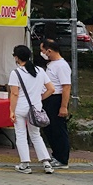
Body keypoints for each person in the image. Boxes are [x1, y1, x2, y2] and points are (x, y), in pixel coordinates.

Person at [9, 44, 56, 174]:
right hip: (36, 108)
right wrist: (40, 98)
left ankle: (25, 164)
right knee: (36, 135)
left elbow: (14, 94)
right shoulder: (40, 71)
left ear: (17, 57)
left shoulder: (15, 73)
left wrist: (11, 111)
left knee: (21, 135)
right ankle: (46, 163)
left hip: (20, 108)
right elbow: (51, 89)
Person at [40, 39, 72, 168]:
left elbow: (66, 87)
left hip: (56, 99)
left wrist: (63, 106)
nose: (42, 53)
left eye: (43, 51)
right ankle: (56, 154)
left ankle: (62, 158)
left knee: (58, 129)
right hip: (48, 99)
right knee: (49, 129)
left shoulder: (62, 65)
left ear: (49, 50)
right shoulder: (51, 64)